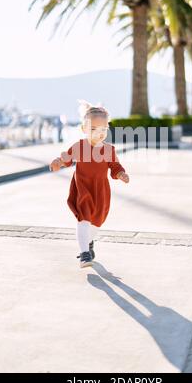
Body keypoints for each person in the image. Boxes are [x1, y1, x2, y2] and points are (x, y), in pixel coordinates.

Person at [49, 99, 130, 268]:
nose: (98, 133)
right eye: (93, 129)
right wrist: (59, 162)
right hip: (83, 188)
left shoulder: (109, 150)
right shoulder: (79, 146)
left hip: (101, 190)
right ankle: (84, 254)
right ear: (84, 129)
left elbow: (115, 166)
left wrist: (120, 173)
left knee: (97, 221)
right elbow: (67, 159)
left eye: (103, 129)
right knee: (84, 217)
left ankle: (89, 241)